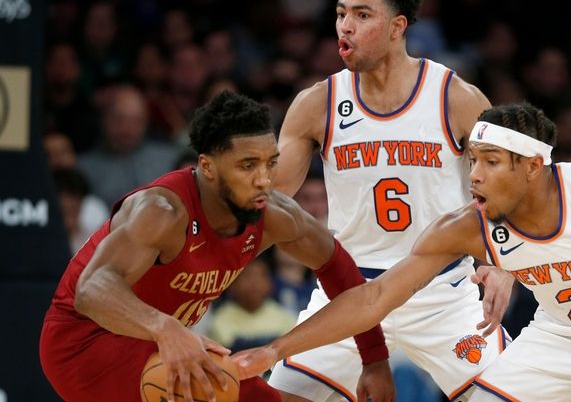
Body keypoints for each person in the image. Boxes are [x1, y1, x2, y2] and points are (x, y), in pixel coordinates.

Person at [238, 102, 571, 402]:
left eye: (491, 162)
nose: (473, 175)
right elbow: (371, 300)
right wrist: (278, 349)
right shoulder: (467, 228)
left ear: (532, 168)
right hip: (558, 337)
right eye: (472, 160)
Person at [39, 91, 391, 402]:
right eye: (247, 166)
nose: (264, 180)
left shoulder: (273, 214)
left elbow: (340, 271)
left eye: (271, 163)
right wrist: (165, 328)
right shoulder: (161, 211)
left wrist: (374, 359)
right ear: (207, 166)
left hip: (159, 343)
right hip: (84, 344)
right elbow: (91, 290)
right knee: (202, 389)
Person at [267, 0, 513, 401]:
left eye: (363, 15)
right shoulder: (316, 104)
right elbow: (268, 198)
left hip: (441, 289)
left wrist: (501, 263)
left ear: (398, 27)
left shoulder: (454, 97)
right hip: (348, 292)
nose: (346, 25)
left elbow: (510, 188)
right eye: (342, 14)